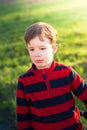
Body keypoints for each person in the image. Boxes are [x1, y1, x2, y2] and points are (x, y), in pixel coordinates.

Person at [16, 22, 87, 130]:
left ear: (54, 48)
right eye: (32, 49)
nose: (37, 54)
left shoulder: (66, 72)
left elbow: (85, 93)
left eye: (42, 48)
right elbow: (22, 116)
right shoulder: (24, 81)